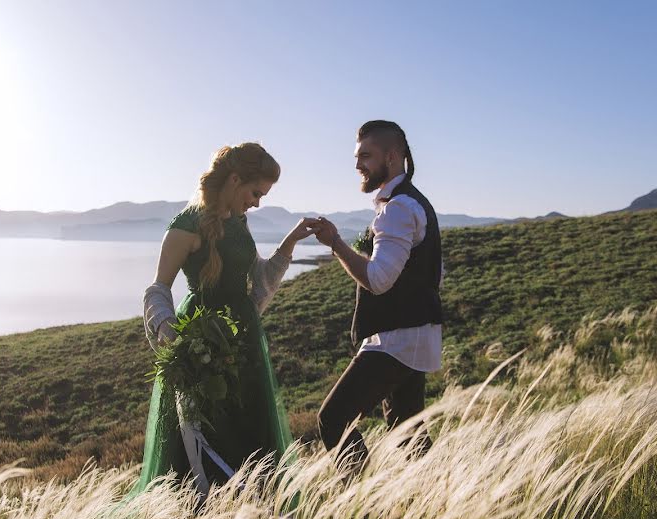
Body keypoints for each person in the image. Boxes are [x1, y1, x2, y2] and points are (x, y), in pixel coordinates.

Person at [133, 142, 318, 498]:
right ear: (234, 179)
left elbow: (255, 281)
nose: (257, 202)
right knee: (208, 433)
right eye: (255, 192)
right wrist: (172, 336)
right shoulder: (185, 226)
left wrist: (290, 241)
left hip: (243, 343)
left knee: (248, 433)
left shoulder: (239, 223)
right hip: (203, 344)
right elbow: (158, 288)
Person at [312, 120, 443, 476]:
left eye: (366, 156)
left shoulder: (398, 208)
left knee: (334, 419)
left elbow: (378, 280)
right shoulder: (417, 203)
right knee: (408, 433)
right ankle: (432, 505)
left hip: (397, 340)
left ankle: (360, 507)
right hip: (416, 336)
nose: (358, 165)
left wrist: (336, 244)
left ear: (392, 155)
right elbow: (435, 273)